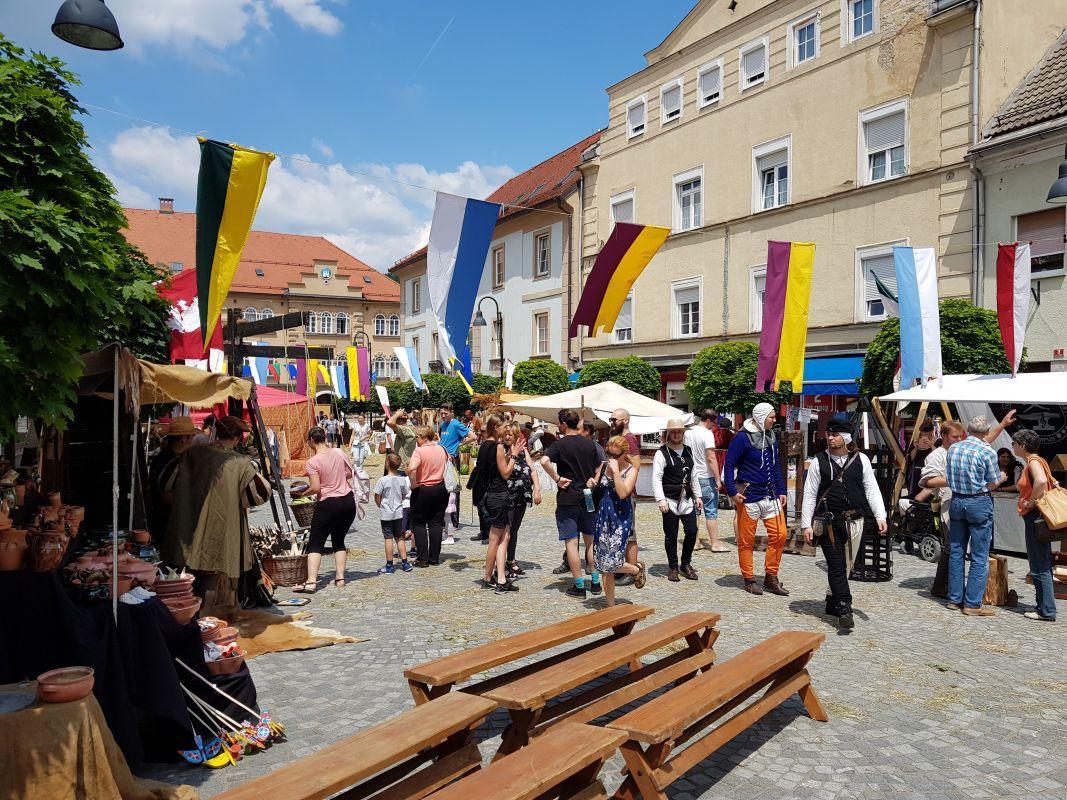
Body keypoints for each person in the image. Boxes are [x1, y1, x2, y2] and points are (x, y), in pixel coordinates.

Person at [801, 420, 888, 630]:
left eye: (835, 434)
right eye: (829, 434)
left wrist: (880, 515)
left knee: (846, 565)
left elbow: (872, 489)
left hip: (855, 520)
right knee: (837, 564)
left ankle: (832, 599)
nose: (830, 438)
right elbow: (810, 494)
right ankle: (844, 607)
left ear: (847, 438)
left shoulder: (862, 460)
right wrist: (806, 525)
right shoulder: (818, 461)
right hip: (829, 522)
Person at [723, 402, 789, 596]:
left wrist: (782, 489)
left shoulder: (771, 435)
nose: (775, 419)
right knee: (746, 540)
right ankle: (749, 578)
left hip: (770, 494)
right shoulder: (741, 438)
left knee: (780, 535)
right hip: (749, 495)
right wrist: (732, 492)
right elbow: (729, 465)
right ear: (761, 417)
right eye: (772, 417)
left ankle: (771, 576)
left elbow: (776, 466)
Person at [944, 416, 1008, 616]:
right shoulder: (987, 451)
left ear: (968, 430)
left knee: (956, 551)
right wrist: (1003, 478)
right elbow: (992, 482)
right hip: (978, 501)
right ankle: (972, 603)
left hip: (957, 501)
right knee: (979, 555)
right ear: (985, 432)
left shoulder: (954, 448)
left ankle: (954, 599)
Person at [540, 409, 603, 598]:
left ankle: (578, 586)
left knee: (572, 543)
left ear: (564, 424)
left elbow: (544, 461)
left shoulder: (559, 444)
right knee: (590, 541)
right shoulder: (590, 444)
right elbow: (602, 463)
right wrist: (594, 479)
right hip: (588, 497)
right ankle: (595, 582)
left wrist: (557, 478)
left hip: (568, 497)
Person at [293, 426, 356, 592]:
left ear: (312, 440)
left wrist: (302, 494)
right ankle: (340, 578)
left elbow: (315, 488)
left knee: (315, 542)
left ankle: (312, 582)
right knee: (339, 540)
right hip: (348, 502)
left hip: (328, 503)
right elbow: (349, 474)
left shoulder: (312, 462)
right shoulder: (338, 452)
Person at [593, 435, 646, 605]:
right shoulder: (604, 466)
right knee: (602, 561)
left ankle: (635, 568)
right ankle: (610, 605)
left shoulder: (632, 470)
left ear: (624, 454)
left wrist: (615, 472)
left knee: (612, 560)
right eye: (609, 454)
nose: (611, 458)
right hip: (603, 515)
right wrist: (593, 483)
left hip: (621, 517)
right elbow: (599, 485)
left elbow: (624, 493)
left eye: (615, 455)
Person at [1012, 429, 1058, 622]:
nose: (1013, 446)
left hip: (1035, 517)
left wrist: (1030, 503)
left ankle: (1046, 610)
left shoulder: (1033, 462)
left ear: (1023, 446)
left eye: (1014, 444)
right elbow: (1050, 482)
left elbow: (1040, 481)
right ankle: (1044, 606)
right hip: (1037, 516)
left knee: (1039, 564)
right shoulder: (1039, 461)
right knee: (1042, 562)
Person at [652, 419, 703, 582]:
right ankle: (673, 566)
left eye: (679, 432)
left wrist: (698, 495)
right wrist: (661, 499)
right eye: (673, 432)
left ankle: (685, 564)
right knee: (671, 535)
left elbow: (693, 475)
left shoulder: (688, 451)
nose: (676, 434)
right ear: (668, 434)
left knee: (692, 532)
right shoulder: (661, 453)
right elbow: (656, 478)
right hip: (670, 498)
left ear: (683, 433)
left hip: (687, 498)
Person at [477, 416, 520, 593]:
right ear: (496, 428)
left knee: (500, 538)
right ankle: (490, 577)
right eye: (504, 427)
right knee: (496, 539)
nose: (506, 429)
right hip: (498, 494)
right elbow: (506, 473)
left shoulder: (484, 445)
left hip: (489, 494)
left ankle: (494, 576)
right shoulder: (498, 447)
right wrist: (514, 456)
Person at [148, 416, 197, 544]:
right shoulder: (176, 462)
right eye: (192, 436)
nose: (193, 440)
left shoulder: (161, 457)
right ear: (183, 438)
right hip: (171, 522)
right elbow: (170, 496)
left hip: (160, 519)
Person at [686, 409, 729, 553]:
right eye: (714, 423)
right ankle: (715, 543)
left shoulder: (688, 432)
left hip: (692, 476)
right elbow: (711, 458)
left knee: (694, 511)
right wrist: (718, 479)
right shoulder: (707, 434)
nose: (714, 426)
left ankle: (695, 542)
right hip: (706, 475)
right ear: (709, 420)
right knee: (711, 511)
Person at [503, 421, 542, 580]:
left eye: (510, 434)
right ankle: (504, 563)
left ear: (517, 436)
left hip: (522, 495)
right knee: (507, 530)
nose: (507, 437)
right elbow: (505, 467)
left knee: (514, 529)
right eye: (506, 434)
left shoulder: (524, 450)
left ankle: (510, 559)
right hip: (509, 495)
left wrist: (537, 489)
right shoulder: (503, 450)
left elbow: (532, 470)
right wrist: (512, 453)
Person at [407, 426, 450, 568]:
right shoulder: (441, 449)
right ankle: (434, 558)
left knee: (418, 523)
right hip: (440, 488)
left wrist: (413, 484)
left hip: (423, 489)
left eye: (417, 438)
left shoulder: (419, 451)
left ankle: (422, 558)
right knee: (436, 523)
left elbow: (412, 468)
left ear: (424, 438)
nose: (416, 441)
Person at [438, 402, 476, 540]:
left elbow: (473, 436)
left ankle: (454, 521)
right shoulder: (443, 425)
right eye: (441, 413)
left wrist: (460, 444)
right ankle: (444, 518)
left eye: (445, 413)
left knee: (453, 488)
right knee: (443, 488)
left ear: (451, 412)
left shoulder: (456, 424)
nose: (443, 416)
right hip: (442, 458)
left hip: (453, 459)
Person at [374, 454, 412, 574]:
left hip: (386, 513)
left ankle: (389, 565)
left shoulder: (382, 480)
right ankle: (405, 562)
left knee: (388, 538)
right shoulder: (402, 479)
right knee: (399, 537)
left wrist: (380, 505)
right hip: (398, 513)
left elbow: (377, 495)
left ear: (386, 464)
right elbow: (404, 494)